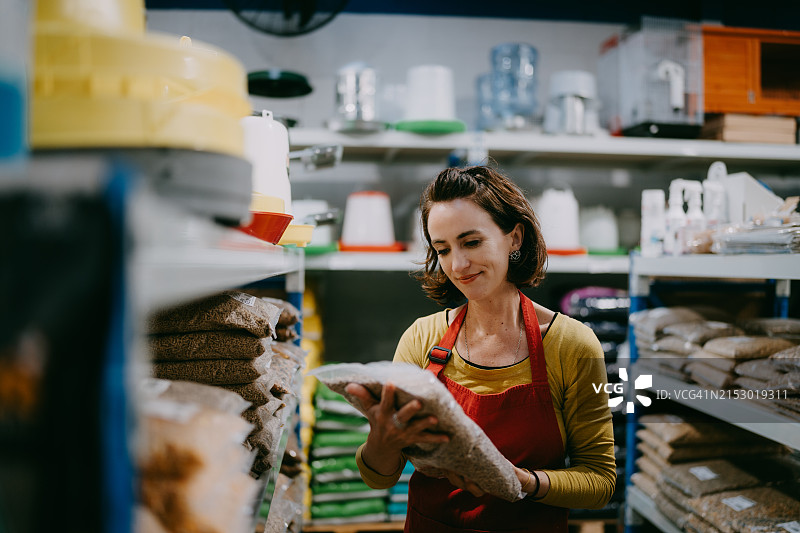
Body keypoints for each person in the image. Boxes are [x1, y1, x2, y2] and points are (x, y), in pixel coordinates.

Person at [345, 165, 616, 532]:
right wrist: (383, 437)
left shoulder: (572, 344)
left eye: (471, 242)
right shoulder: (421, 339)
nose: (457, 265)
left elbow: (600, 482)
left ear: (514, 238)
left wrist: (521, 483)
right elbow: (378, 478)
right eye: (442, 249)